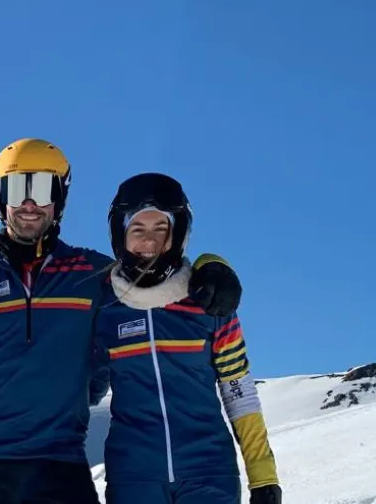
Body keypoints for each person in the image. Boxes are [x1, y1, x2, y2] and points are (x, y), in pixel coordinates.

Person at [0, 140, 245, 504]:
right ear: (0, 198)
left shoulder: (92, 274)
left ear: (60, 198)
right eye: (17, 189)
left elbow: (155, 274)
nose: (29, 204)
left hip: (61, 465)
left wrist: (213, 265)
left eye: (42, 189)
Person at [91, 172, 281, 504]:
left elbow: (238, 388)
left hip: (209, 472)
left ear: (178, 233)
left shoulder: (209, 299)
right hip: (133, 478)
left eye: (160, 229)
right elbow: (81, 388)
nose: (149, 241)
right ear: (120, 235)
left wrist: (263, 476)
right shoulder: (103, 306)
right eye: (138, 230)